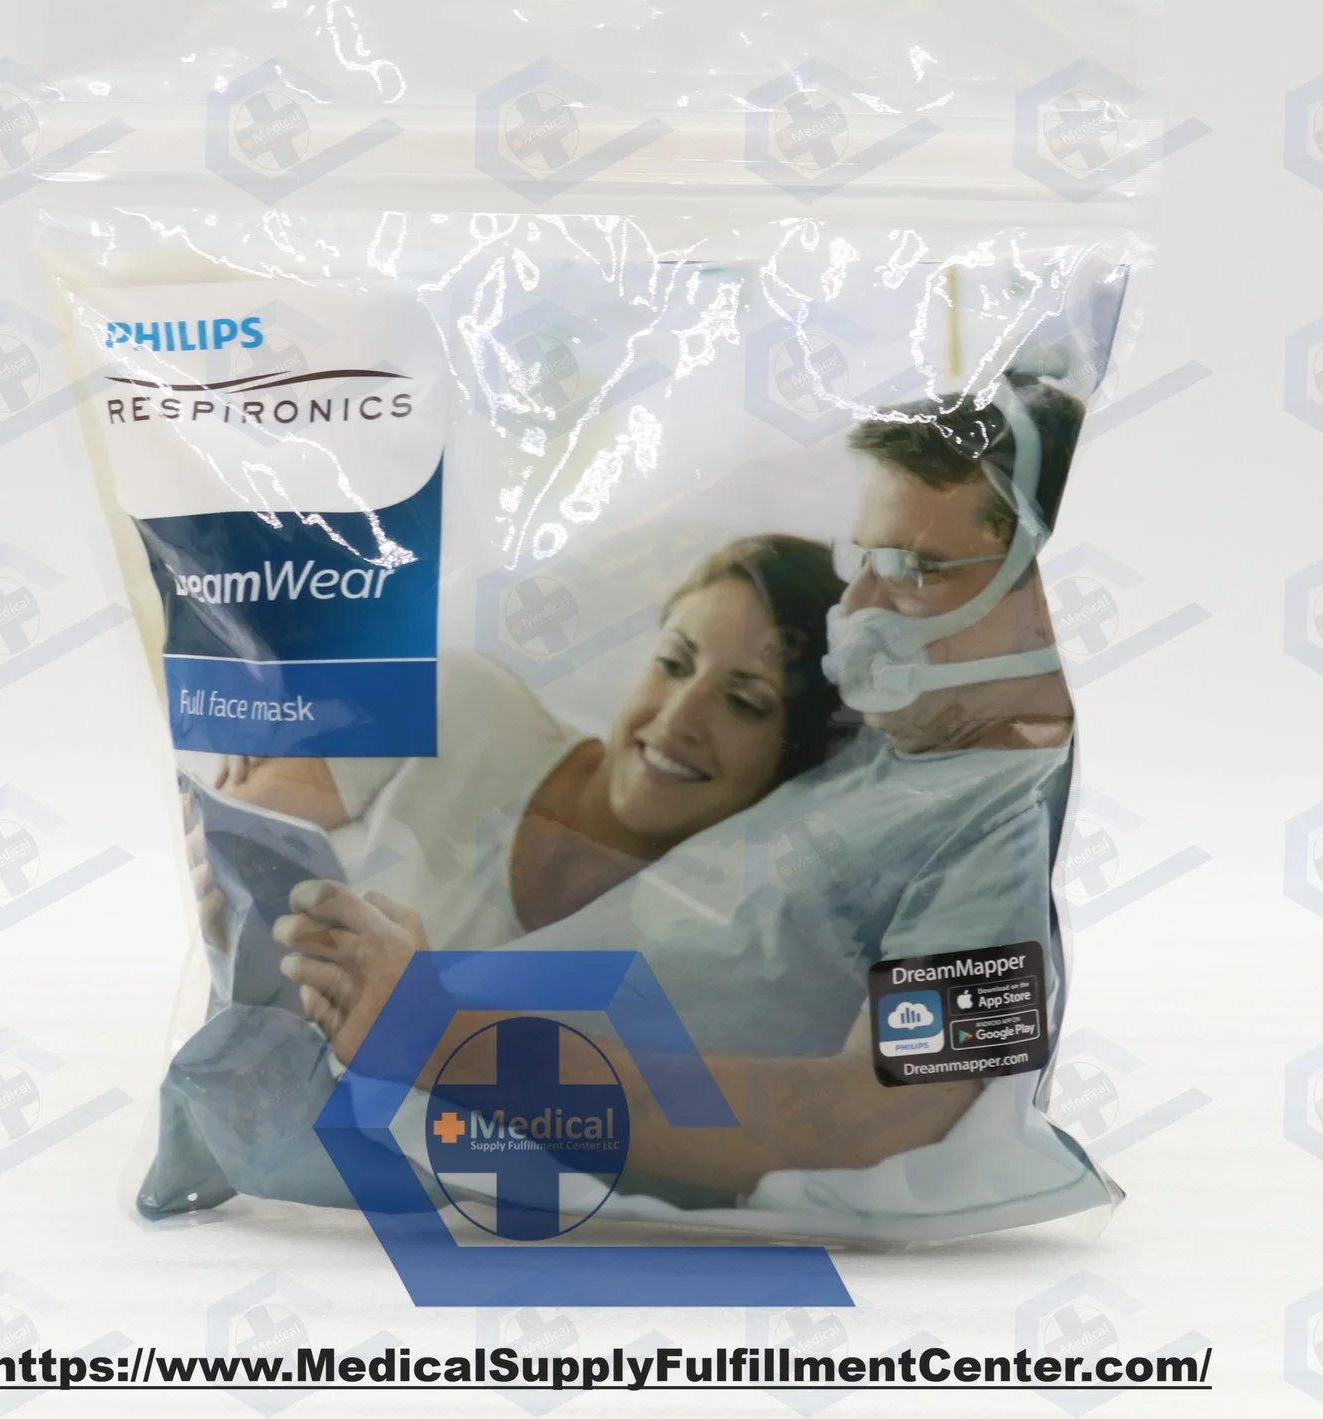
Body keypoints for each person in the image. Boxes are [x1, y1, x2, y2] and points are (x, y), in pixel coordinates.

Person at [275, 363, 1110, 1227]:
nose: (860, 608)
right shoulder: (887, 742)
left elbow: (880, 1115)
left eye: (915, 569)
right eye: (861, 560)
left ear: (1047, 593)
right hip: (380, 1072)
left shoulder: (1000, 823)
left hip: (460, 1142)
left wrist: (440, 1036)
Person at [140, 534, 851, 1215]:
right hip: (263, 1133)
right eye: (674, 662)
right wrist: (227, 914)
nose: (680, 716)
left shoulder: (710, 947)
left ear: (794, 757)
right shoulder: (461, 703)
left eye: (745, 702)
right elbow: (239, 838)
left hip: (417, 1200)